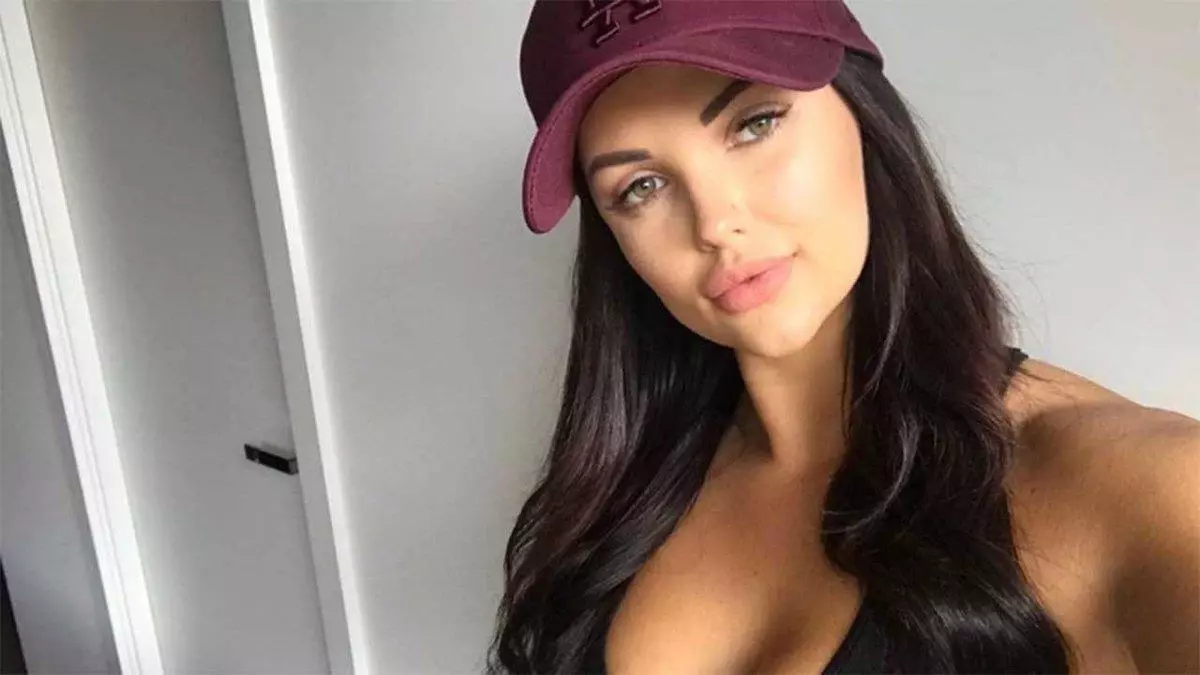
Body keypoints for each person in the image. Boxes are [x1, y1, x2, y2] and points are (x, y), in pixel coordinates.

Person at [488, 2, 1200, 673]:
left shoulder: (1134, 485)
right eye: (641, 186)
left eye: (754, 124)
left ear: (861, 111)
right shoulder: (618, 505)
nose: (714, 223)